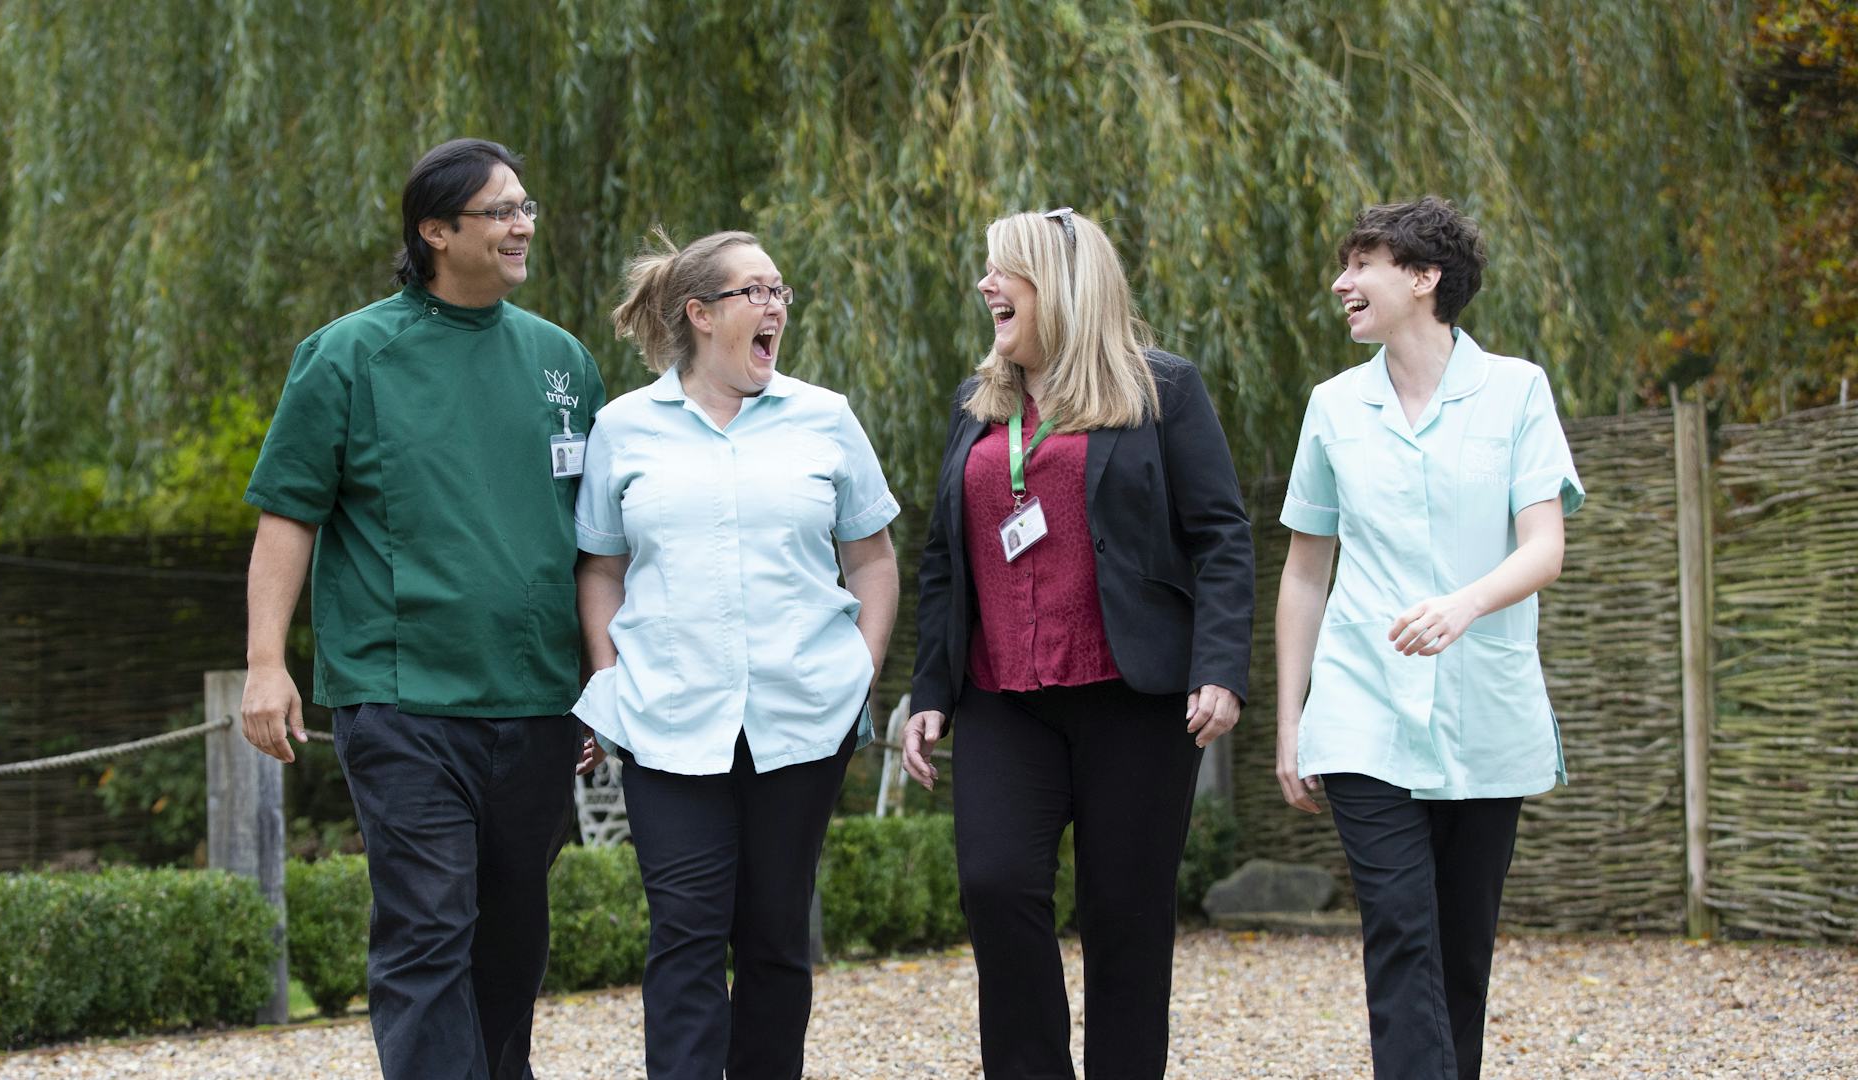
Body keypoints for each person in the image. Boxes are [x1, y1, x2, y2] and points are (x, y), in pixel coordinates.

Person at [240, 137, 605, 1080]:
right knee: (429, 920)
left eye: (527, 206)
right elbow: (289, 515)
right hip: (401, 697)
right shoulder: (349, 355)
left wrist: (607, 681)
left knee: (515, 925)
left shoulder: (562, 360)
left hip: (535, 700)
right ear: (436, 230)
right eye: (501, 210)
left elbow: (597, 545)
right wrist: (266, 663)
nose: (524, 224)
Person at [903, 208, 1255, 1078]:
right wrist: (931, 691)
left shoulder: (1160, 389)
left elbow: (1221, 535)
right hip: (1003, 700)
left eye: (1004, 271)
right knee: (994, 886)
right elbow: (945, 555)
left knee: (1126, 918)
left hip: (1131, 700)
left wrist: (1220, 667)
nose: (986, 287)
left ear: (1061, 283)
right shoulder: (977, 403)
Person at [572, 229, 900, 1079]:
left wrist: (859, 671)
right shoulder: (623, 427)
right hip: (668, 722)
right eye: (755, 291)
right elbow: (601, 569)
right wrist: (608, 681)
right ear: (700, 313)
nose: (775, 306)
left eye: (780, 291)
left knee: (775, 937)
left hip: (803, 720)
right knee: (683, 935)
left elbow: (872, 557)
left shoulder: (824, 417)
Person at [1274, 196, 1584, 1080]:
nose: (1342, 282)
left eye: (1362, 263)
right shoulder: (1332, 407)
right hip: (1362, 707)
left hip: (1486, 707)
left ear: (1423, 277)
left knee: (1460, 949)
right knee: (1402, 933)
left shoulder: (1517, 390)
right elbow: (1304, 571)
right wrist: (1294, 720)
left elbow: (1545, 547)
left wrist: (1463, 605)